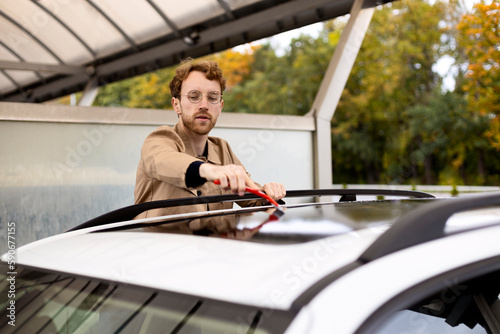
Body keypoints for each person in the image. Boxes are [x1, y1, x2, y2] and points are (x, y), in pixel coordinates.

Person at [134, 58, 286, 235]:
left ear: (220, 107)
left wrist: (268, 194)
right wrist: (208, 171)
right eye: (194, 96)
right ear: (176, 105)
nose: (204, 105)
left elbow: (252, 199)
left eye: (212, 98)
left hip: (213, 256)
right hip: (159, 256)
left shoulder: (222, 149)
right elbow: (164, 161)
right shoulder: (159, 140)